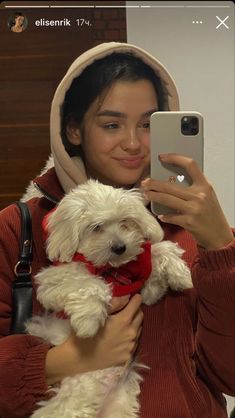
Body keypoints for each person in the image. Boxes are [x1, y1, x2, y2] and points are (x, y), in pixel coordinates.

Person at [0, 42, 234, 418]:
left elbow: (230, 376)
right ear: (74, 129)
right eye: (111, 124)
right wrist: (64, 360)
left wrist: (221, 246)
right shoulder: (17, 226)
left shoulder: (198, 229)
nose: (133, 143)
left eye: (147, 124)